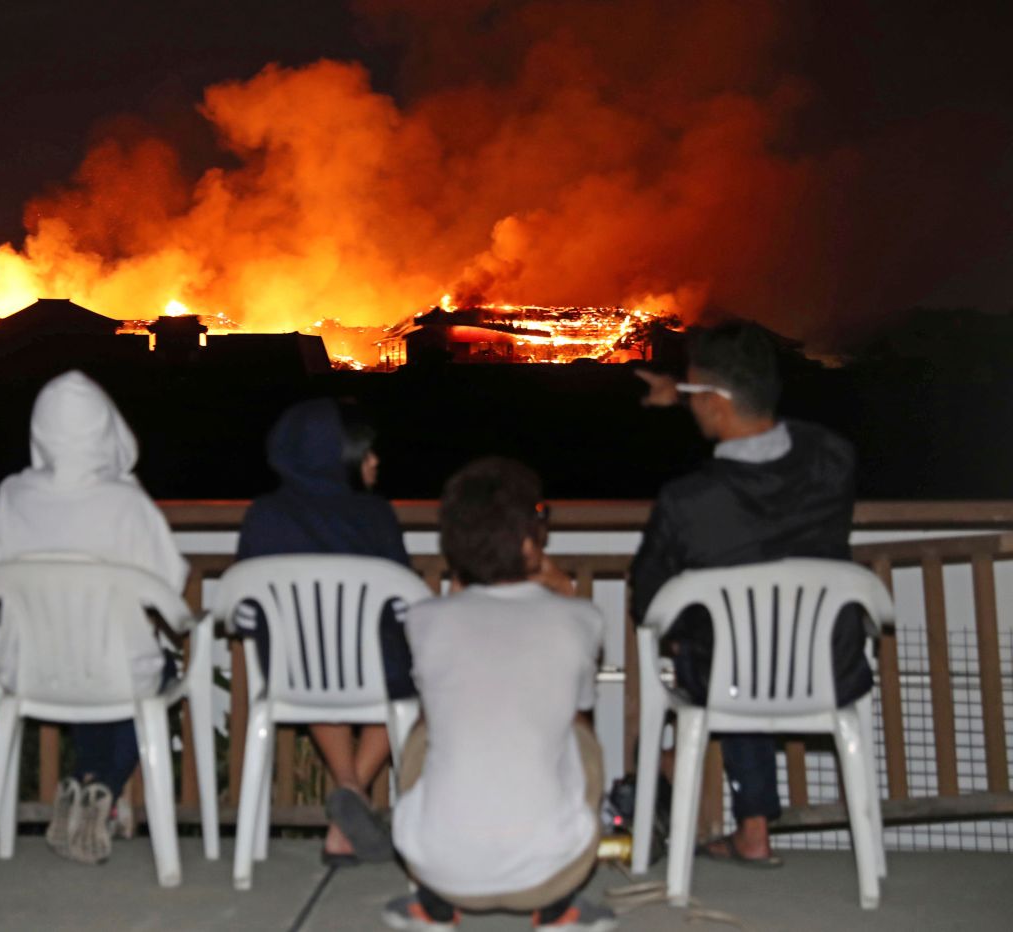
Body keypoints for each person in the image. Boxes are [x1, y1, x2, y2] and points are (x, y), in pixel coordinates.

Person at [629, 321, 872, 867]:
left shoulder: (690, 501)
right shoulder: (833, 458)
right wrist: (692, 394)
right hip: (830, 666)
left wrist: (683, 636)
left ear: (713, 403)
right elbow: (782, 441)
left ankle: (672, 776)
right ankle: (752, 830)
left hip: (731, 680)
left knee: (722, 648)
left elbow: (647, 601)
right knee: (740, 642)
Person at [384, 458, 617, 932]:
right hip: (550, 873)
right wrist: (562, 589)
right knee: (580, 737)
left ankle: (432, 907)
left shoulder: (425, 622)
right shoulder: (582, 620)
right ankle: (558, 911)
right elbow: (581, 719)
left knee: (426, 732)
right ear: (531, 543)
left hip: (440, 869)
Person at [0, 370, 188, 865]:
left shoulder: (12, 495)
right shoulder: (126, 502)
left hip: (34, 670)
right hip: (114, 672)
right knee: (155, 675)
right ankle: (104, 786)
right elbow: (169, 587)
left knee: (84, 670)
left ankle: (89, 782)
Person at [235, 397, 411, 865]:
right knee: (411, 678)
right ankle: (351, 796)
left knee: (317, 665)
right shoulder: (376, 516)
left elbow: (245, 613)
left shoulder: (263, 515)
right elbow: (401, 604)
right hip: (374, 672)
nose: (375, 461)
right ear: (343, 456)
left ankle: (345, 808)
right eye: (367, 451)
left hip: (293, 672)